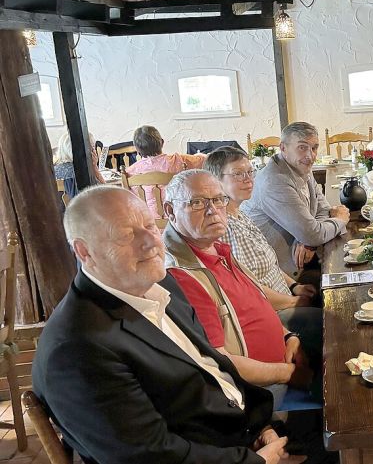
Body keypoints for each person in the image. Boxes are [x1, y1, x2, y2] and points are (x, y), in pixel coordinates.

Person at [33, 186, 287, 463]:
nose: (151, 242)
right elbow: (148, 455)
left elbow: (212, 367)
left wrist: (264, 424)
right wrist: (256, 461)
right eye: (126, 234)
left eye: (150, 225)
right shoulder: (77, 349)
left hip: (242, 430)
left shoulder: (159, 283)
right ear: (85, 252)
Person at [162, 170, 314, 409]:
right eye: (198, 202)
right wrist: (287, 373)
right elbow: (220, 361)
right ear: (170, 211)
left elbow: (257, 303)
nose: (213, 211)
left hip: (282, 362)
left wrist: (289, 336)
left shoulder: (216, 248)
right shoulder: (183, 275)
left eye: (218, 200)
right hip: (258, 394)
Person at [205, 146, 322, 360]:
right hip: (270, 314)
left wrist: (295, 286)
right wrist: (293, 302)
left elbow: (269, 263)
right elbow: (247, 291)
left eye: (250, 172)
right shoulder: (223, 228)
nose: (248, 179)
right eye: (238, 174)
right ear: (216, 181)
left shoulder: (241, 214)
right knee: (335, 323)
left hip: (284, 296)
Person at [242, 122, 350, 277]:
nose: (310, 155)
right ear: (283, 148)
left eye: (314, 148)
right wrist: (340, 219)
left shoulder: (301, 166)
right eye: (302, 147)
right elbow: (313, 233)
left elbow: (322, 209)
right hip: (278, 274)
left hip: (301, 257)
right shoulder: (275, 181)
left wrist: (308, 240)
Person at [126, 125, 207, 217]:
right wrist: (199, 154)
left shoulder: (130, 172)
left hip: (149, 222)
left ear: (136, 149)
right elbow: (206, 160)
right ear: (162, 142)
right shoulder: (179, 160)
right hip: (179, 218)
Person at [52, 132, 104, 199]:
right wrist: (94, 168)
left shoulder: (54, 170)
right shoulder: (82, 171)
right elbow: (106, 196)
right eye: (93, 147)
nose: (94, 151)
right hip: (82, 207)